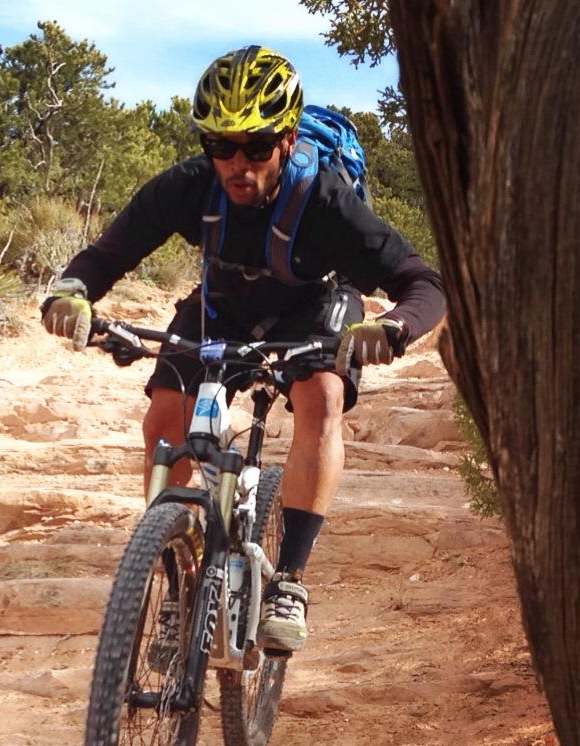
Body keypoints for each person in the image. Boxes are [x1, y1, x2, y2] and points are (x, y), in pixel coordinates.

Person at [41, 45, 445, 654]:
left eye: (256, 147)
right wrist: (72, 294)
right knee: (164, 415)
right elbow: (106, 256)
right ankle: (178, 566)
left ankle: (289, 581)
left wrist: (391, 329)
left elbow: (424, 284)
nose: (238, 163)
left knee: (322, 396)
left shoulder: (327, 202)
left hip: (314, 306)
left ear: (285, 141)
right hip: (223, 307)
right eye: (221, 146)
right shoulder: (188, 188)